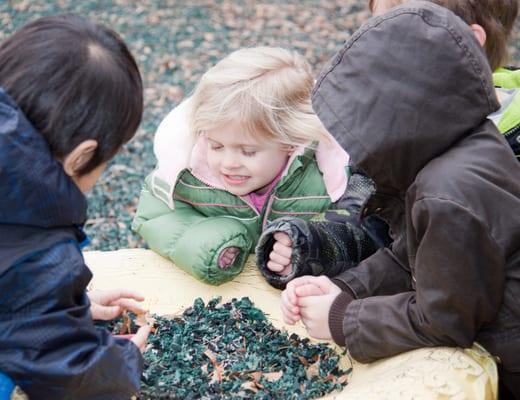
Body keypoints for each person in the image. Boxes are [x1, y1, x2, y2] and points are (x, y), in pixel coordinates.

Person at [281, 2, 520, 398]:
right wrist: (347, 289)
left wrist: (343, 320)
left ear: (400, 120)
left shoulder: (448, 194)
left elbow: (442, 322)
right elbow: (410, 254)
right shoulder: (459, 147)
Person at [0, 14, 150, 399]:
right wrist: (124, 362)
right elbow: (75, 377)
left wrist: (70, 308)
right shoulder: (32, 264)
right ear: (83, 156)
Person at [132, 46, 385, 286]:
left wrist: (302, 249)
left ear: (290, 142)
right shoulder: (189, 174)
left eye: (248, 151)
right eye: (216, 146)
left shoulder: (327, 179)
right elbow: (154, 215)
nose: (229, 163)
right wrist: (212, 242)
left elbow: (357, 233)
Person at [369, 0, 520, 161]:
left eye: (388, 34)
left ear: (464, 44)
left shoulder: (492, 164)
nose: (370, 47)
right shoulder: (396, 117)